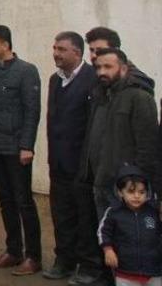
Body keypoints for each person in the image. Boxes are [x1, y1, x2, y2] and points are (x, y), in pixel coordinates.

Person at [0, 26, 43, 276]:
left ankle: (33, 256)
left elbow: (32, 111)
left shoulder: (26, 71)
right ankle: (13, 250)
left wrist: (27, 146)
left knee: (23, 201)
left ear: (5, 45)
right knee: (5, 199)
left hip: (16, 148)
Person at [43, 31, 103, 284]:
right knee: (61, 214)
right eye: (55, 48)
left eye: (61, 49)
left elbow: (92, 125)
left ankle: (89, 265)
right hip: (58, 162)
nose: (55, 53)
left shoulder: (92, 79)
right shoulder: (55, 80)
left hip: (81, 164)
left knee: (84, 217)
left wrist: (87, 163)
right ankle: (64, 260)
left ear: (77, 52)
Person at [80, 48, 158, 219]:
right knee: (106, 234)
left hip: (126, 190)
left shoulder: (139, 98)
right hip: (101, 184)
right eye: (98, 67)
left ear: (123, 69)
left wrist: (135, 186)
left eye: (108, 67)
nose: (102, 72)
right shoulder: (101, 96)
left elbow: (148, 147)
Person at [97, 165, 162, 286]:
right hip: (125, 271)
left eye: (141, 192)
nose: (137, 196)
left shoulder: (154, 211)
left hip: (154, 270)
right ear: (120, 192)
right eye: (131, 191)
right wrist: (108, 250)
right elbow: (103, 232)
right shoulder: (113, 212)